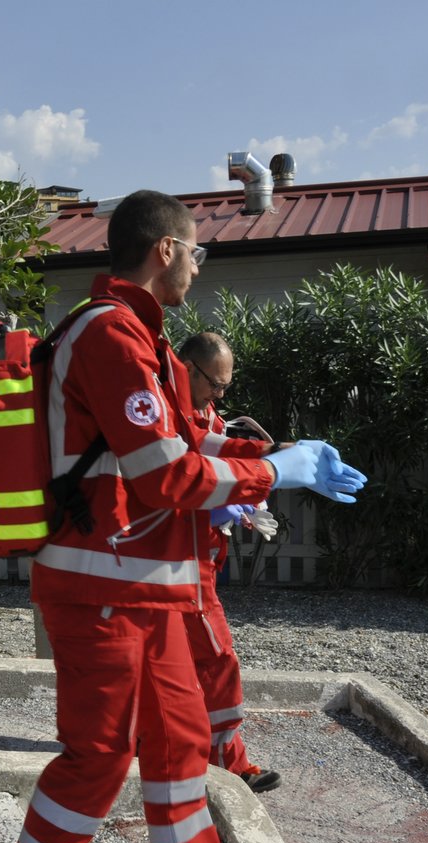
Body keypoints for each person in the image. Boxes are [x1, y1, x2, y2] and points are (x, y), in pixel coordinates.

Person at [0, 190, 365, 843]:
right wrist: (273, 473)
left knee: (181, 751)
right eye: (196, 252)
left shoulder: (138, 336)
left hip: (139, 592)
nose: (198, 265)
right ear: (164, 250)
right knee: (96, 758)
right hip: (102, 594)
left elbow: (183, 439)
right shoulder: (112, 334)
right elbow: (162, 477)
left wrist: (281, 450)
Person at [174, 331, 281, 794]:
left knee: (179, 665)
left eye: (224, 387)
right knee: (218, 660)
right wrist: (271, 461)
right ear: (187, 367)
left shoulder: (199, 408)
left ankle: (160, 749)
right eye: (214, 384)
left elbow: (211, 447)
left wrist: (243, 501)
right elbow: (195, 456)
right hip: (181, 562)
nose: (219, 395)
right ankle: (228, 764)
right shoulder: (169, 410)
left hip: (196, 557)